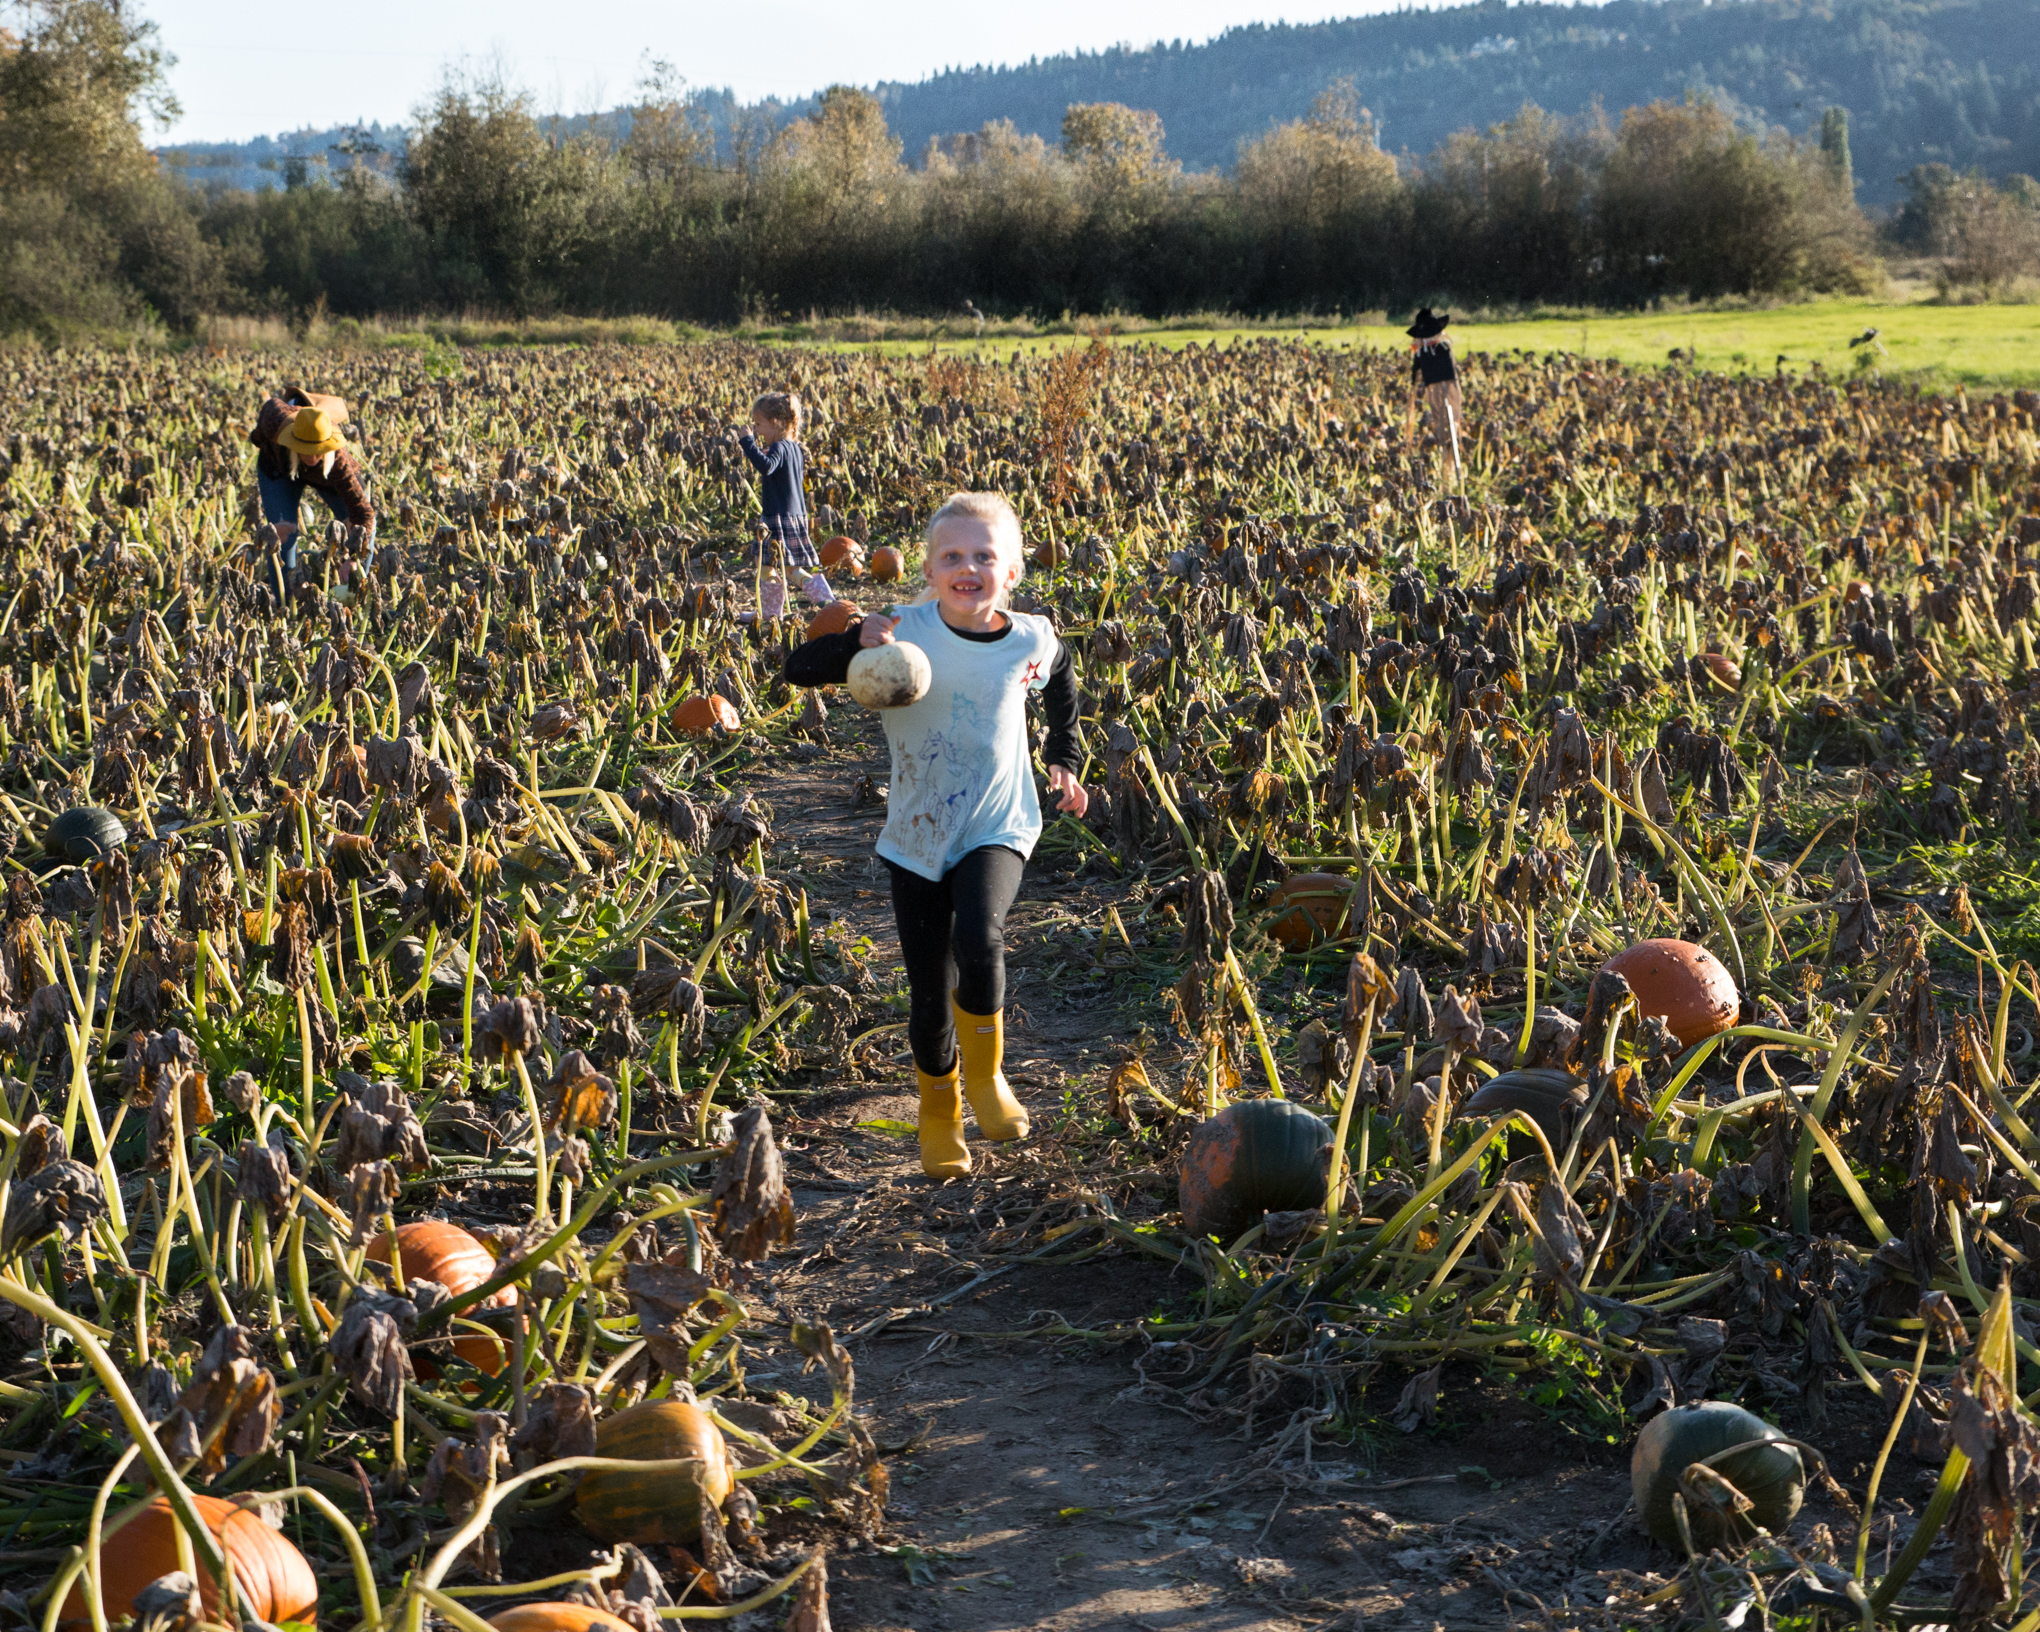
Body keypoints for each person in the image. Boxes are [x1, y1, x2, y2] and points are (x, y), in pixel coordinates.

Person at [785, 492, 1086, 1178]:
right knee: (928, 990)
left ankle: (987, 1080)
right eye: (952, 556)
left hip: (997, 823)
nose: (968, 566)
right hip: (918, 834)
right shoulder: (902, 630)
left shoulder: (1030, 638)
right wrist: (853, 640)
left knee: (979, 937)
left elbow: (1063, 680)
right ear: (929, 568)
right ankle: (940, 1110)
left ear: (1011, 570)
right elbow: (795, 670)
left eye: (984, 555)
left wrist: (1066, 758)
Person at [248, 388, 374, 597]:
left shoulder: (339, 463)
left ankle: (356, 593)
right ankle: (286, 604)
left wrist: (353, 557)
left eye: (318, 451)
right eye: (305, 449)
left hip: (327, 479)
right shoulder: (275, 424)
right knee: (281, 536)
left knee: (359, 528)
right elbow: (268, 410)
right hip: (279, 471)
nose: (312, 458)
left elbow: (365, 514)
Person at [737, 392, 831, 618]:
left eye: (759, 425)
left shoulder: (779, 448)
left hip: (776, 516)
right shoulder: (796, 448)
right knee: (792, 569)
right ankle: (827, 602)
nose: (757, 430)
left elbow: (766, 466)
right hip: (794, 516)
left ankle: (771, 614)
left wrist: (747, 443)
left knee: (766, 565)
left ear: (776, 423)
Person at [1407, 308, 1463, 483]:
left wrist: (1413, 384)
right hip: (1449, 386)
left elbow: (1415, 370)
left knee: (1441, 422)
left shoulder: (1421, 350)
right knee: (1453, 420)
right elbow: (1453, 367)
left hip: (1433, 387)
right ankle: (1451, 465)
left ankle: (1447, 466)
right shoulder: (1444, 345)